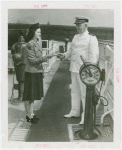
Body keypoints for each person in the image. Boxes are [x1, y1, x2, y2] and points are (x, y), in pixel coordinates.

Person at [57, 16, 99, 124]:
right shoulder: (75, 37)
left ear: (86, 25)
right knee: (75, 92)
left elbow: (94, 56)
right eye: (76, 25)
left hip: (85, 71)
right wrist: (64, 55)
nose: (77, 27)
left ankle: (86, 116)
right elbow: (71, 50)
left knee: (85, 94)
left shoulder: (91, 38)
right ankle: (75, 111)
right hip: (74, 69)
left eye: (79, 25)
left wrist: (90, 71)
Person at [23, 23, 55, 123]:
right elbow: (32, 61)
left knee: (32, 95)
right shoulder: (29, 44)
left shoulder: (37, 41)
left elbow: (37, 59)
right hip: (31, 72)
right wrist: (47, 57)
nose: (40, 34)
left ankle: (31, 114)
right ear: (33, 33)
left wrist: (42, 71)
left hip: (36, 72)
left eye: (40, 32)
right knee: (29, 95)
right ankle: (29, 115)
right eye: (38, 32)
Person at [11, 35, 27, 104]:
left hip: (20, 65)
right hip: (24, 65)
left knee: (21, 81)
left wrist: (17, 61)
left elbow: (13, 52)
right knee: (22, 81)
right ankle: (22, 96)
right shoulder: (27, 45)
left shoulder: (16, 45)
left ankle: (21, 97)